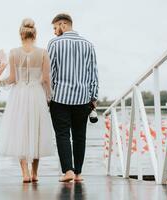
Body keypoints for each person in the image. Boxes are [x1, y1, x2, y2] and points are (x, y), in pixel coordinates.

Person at [0, 18, 54, 183]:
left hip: (19, 95)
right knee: (37, 130)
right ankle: (35, 174)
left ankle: (25, 174)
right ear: (35, 34)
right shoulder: (43, 52)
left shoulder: (14, 52)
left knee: (20, 130)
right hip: (36, 94)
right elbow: (47, 79)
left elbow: (12, 79)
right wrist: (49, 97)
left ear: (21, 34)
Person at [47, 13, 99, 182]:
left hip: (60, 98)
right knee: (79, 136)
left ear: (63, 24)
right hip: (83, 98)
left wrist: (49, 95)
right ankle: (78, 173)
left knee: (62, 135)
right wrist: (94, 96)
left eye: (55, 28)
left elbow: (51, 73)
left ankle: (68, 171)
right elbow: (93, 73)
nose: (55, 32)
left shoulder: (54, 43)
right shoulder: (88, 45)